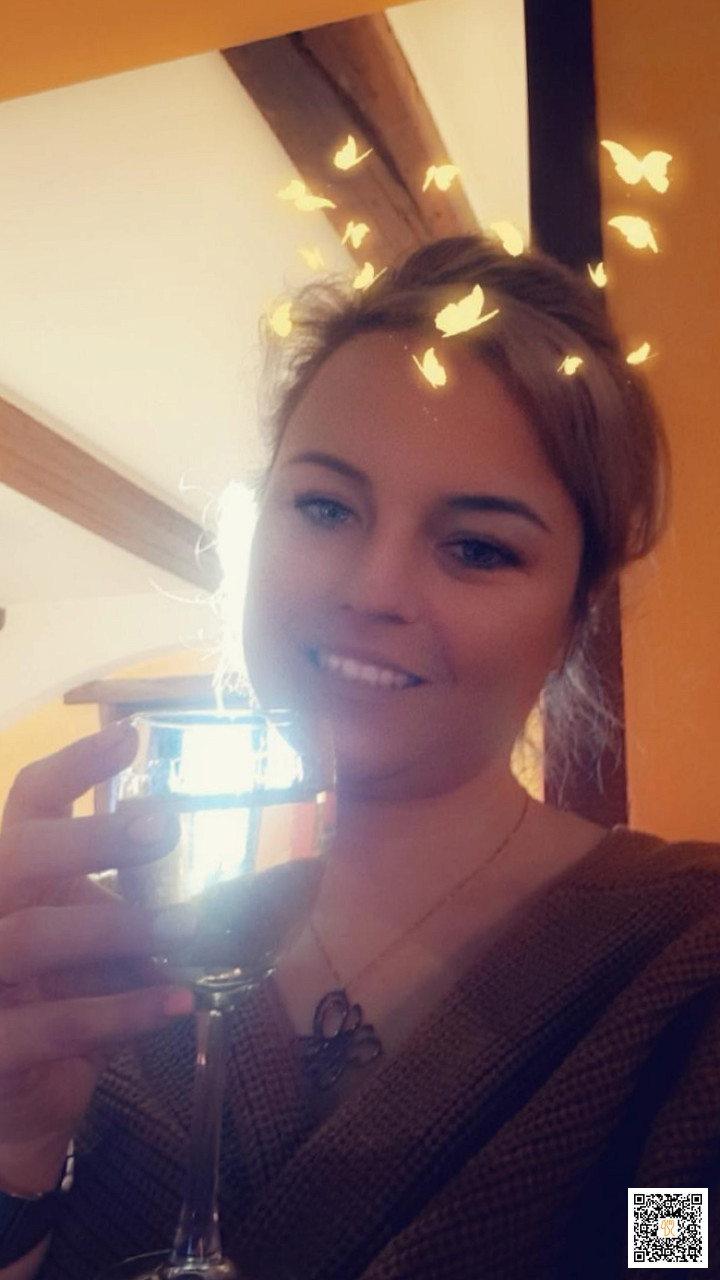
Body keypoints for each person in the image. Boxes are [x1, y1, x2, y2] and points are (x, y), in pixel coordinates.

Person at [0, 234, 718, 1280]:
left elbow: (677, 1251)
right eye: (326, 507)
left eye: (477, 547)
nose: (372, 587)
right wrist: (18, 1156)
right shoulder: (115, 968)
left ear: (576, 613)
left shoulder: (680, 974)